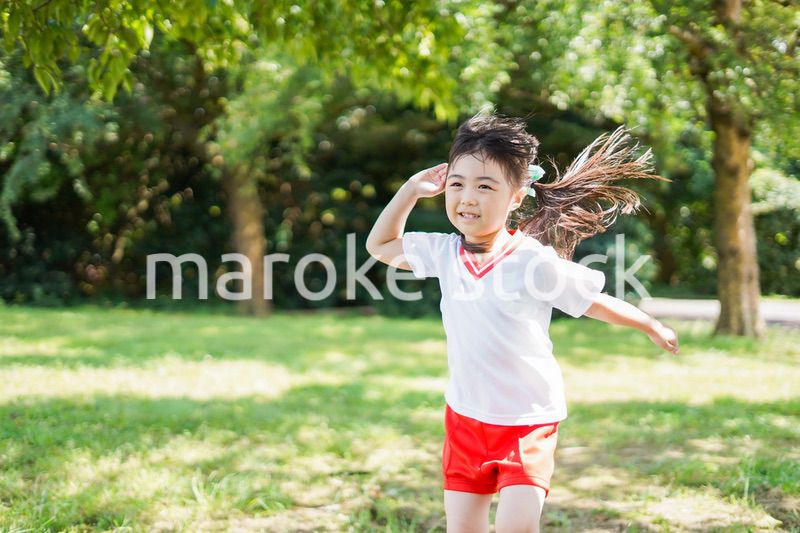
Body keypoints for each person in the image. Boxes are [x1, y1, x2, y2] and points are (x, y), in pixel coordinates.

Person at [365, 111, 679, 533]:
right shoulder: (442, 252)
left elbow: (592, 301)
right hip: (466, 418)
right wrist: (409, 190)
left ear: (516, 197)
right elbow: (380, 244)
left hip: (527, 421)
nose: (467, 198)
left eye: (485, 186)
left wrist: (649, 325)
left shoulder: (531, 260)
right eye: (456, 185)